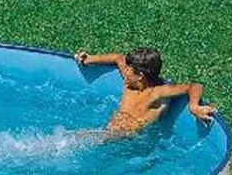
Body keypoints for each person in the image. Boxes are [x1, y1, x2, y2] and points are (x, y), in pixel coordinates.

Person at [73, 47, 217, 137]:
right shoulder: (129, 83)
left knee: (75, 141)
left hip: (130, 138)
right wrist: (89, 59)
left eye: (128, 69)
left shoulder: (157, 93)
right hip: (109, 132)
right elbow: (118, 58)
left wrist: (194, 106)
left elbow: (194, 86)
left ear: (140, 75)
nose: (124, 71)